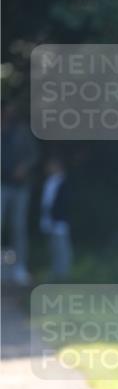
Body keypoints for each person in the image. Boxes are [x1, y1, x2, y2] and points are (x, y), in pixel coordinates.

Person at [1, 101, 39, 286]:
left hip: (20, 186)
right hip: (2, 184)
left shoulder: (22, 130)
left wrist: (23, 167)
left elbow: (33, 154)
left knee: (18, 226)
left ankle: (20, 268)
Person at [39, 153, 73, 280]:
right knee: (53, 249)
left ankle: (64, 274)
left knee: (62, 249)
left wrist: (56, 215)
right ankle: (55, 272)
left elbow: (63, 203)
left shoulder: (63, 182)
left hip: (59, 221)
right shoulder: (49, 182)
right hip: (49, 220)